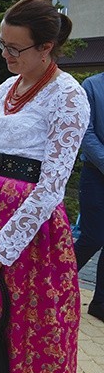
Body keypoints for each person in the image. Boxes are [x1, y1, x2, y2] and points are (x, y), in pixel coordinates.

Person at [0, 0, 89, 373]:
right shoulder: (4, 90)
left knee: (33, 330)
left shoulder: (69, 96)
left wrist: (1, 250)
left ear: (46, 47)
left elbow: (51, 187)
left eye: (14, 48)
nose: (5, 55)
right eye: (3, 44)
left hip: (30, 240)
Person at [74, 72, 104, 323]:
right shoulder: (92, 86)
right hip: (96, 174)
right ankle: (51, 285)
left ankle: (100, 302)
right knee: (93, 236)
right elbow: (86, 132)